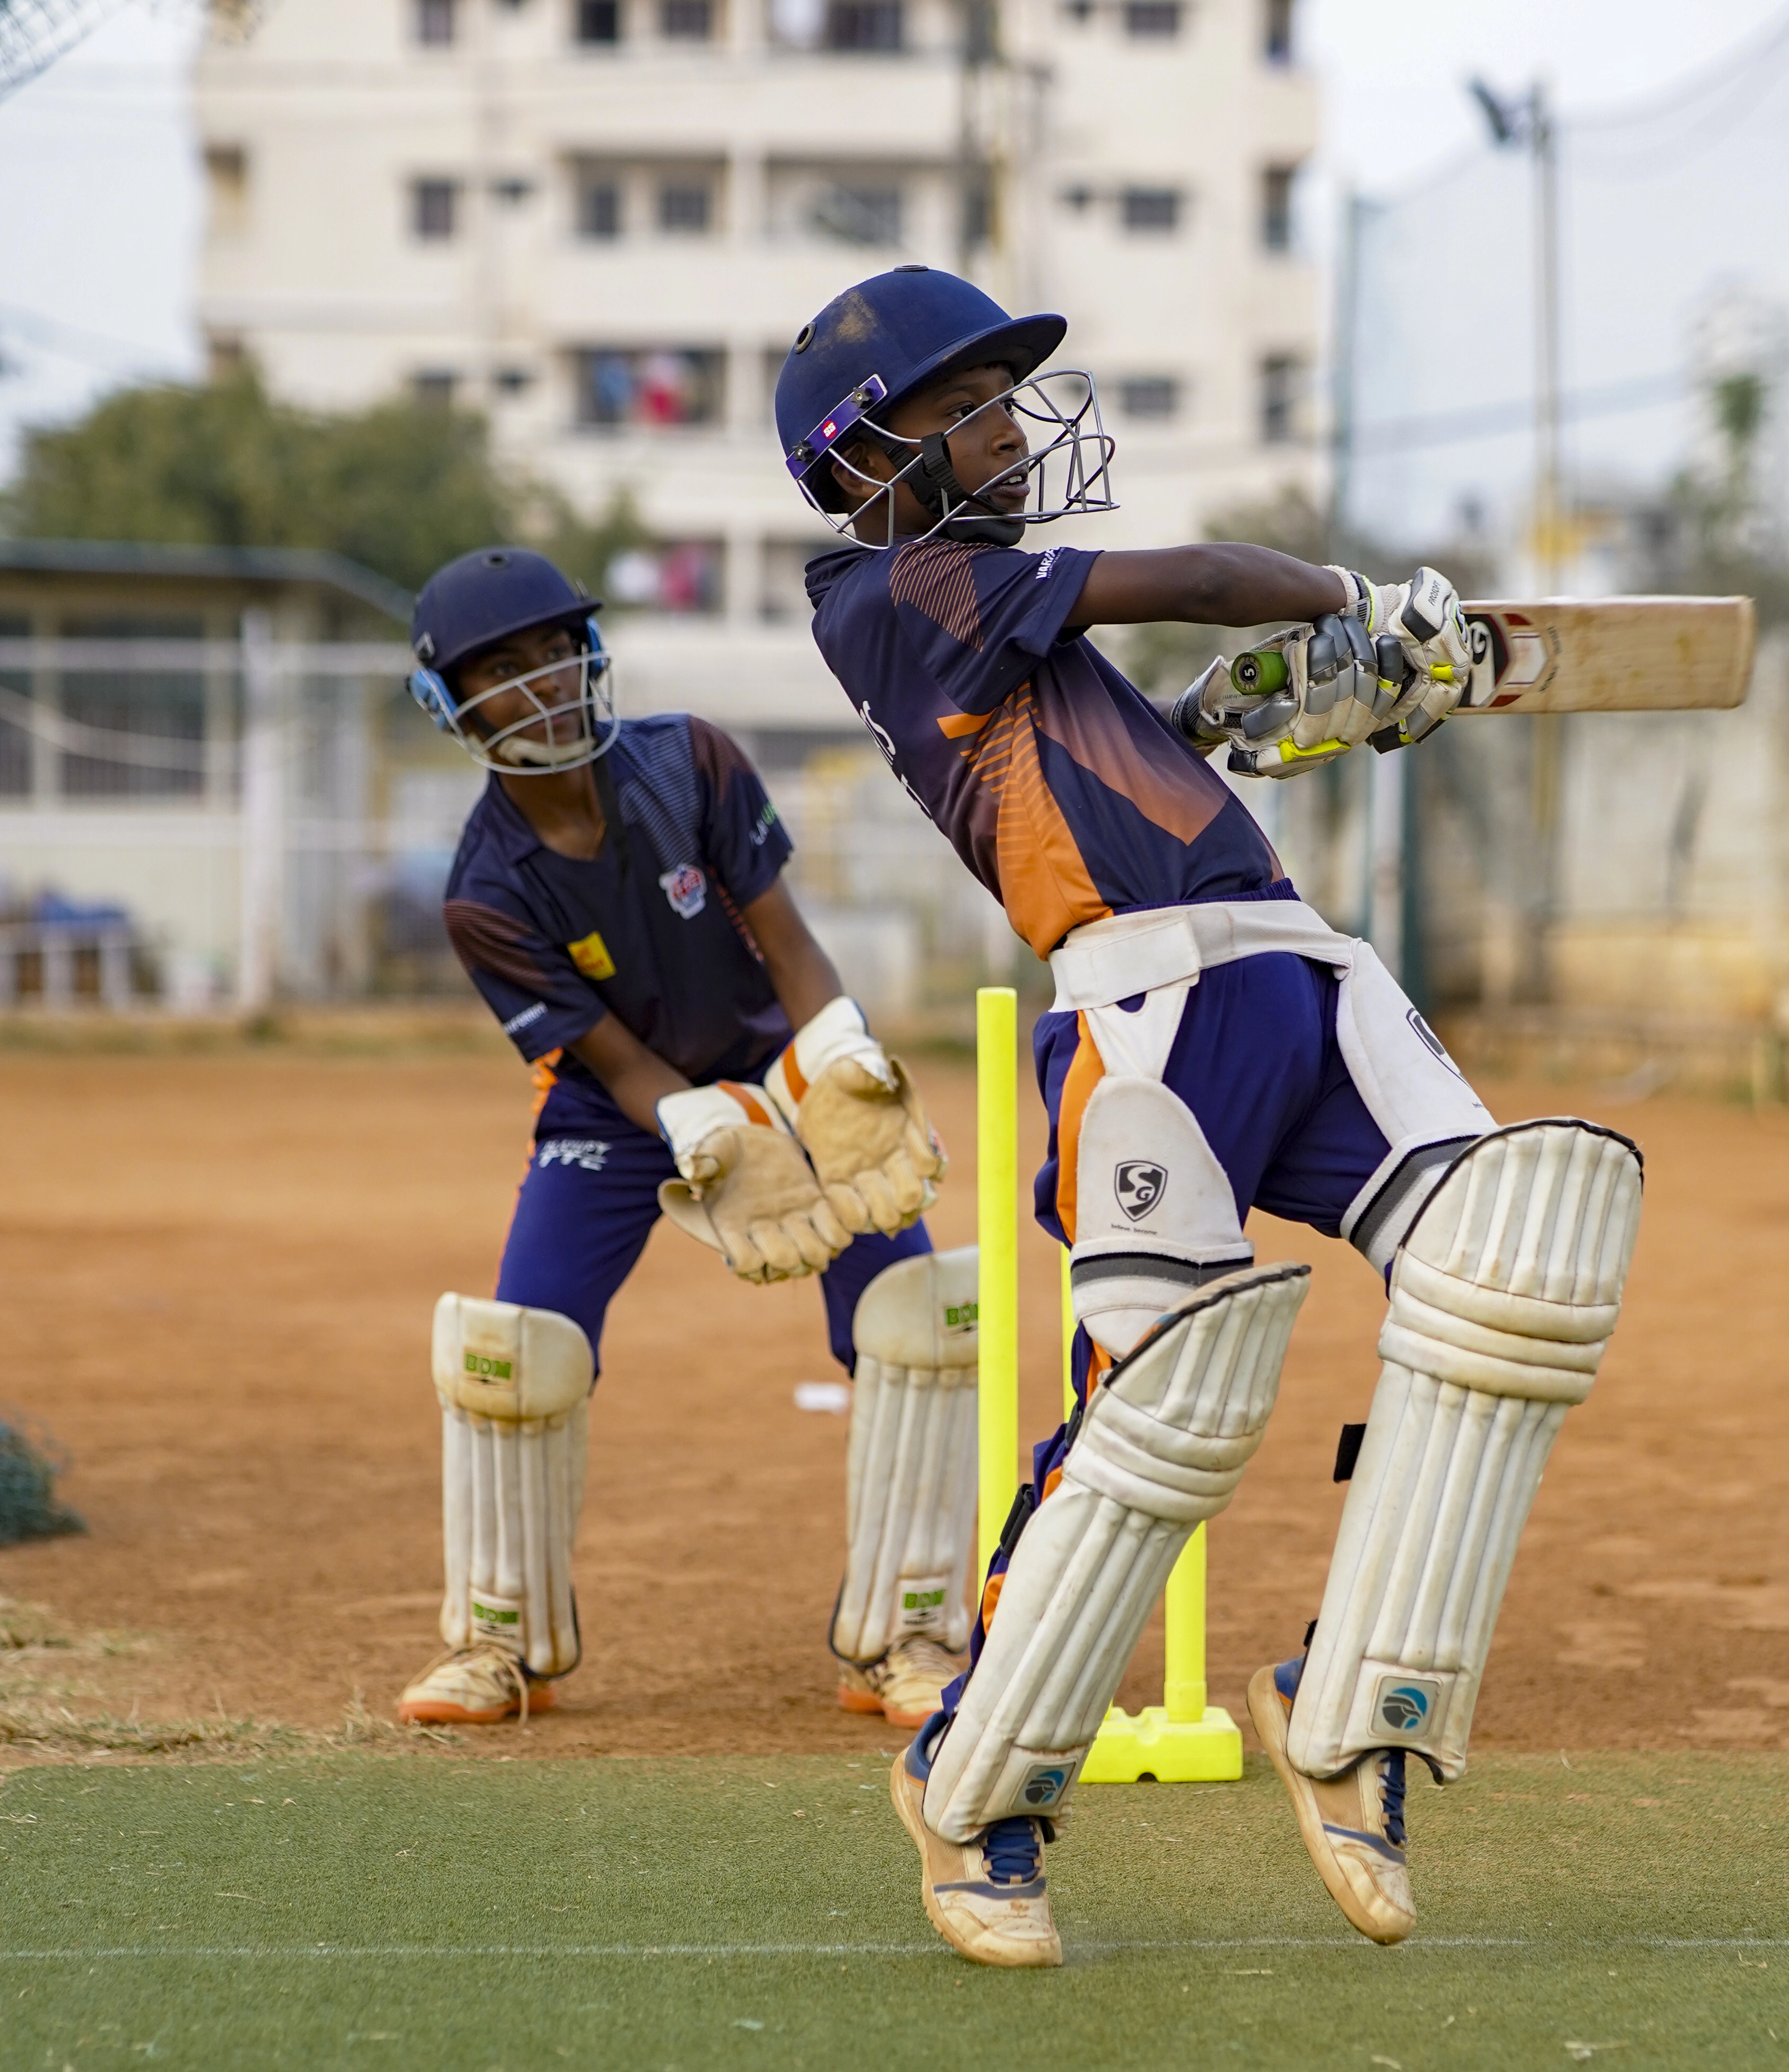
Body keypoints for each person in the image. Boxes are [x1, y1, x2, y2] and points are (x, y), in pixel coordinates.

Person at [773, 267, 1644, 1969]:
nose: (1017, 427)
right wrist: (1352, 600)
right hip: (1148, 1014)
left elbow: (1119, 752)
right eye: (970, 405)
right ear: (869, 452)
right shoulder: (886, 594)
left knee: (1514, 1273)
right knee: (1159, 1415)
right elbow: (1186, 577)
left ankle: (1354, 1704)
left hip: (1301, 972)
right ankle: (977, 1789)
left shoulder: (1008, 628)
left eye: (1008, 394)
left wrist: (1268, 707)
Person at [392, 543, 980, 1736]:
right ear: (451, 703)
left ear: (591, 656)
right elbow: (607, 1058)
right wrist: (693, 1120)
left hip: (780, 1077)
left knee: (918, 1328)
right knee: (518, 1353)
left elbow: (789, 942)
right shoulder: (483, 892)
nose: (541, 682)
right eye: (500, 669)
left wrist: (839, 1060)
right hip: (614, 1116)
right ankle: (502, 1647)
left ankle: (908, 1634)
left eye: (557, 651)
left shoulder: (690, 759)